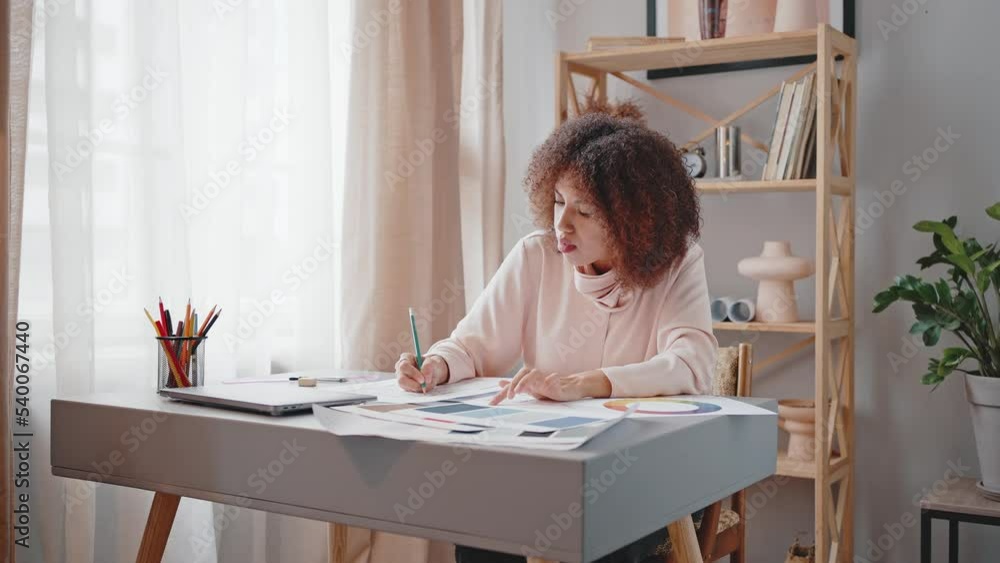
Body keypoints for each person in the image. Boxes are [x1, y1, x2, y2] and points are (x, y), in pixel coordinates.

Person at [395, 112, 718, 562]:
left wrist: (586, 382)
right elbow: (474, 344)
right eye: (559, 201)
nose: (562, 224)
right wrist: (436, 364)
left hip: (649, 475)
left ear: (635, 220)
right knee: (479, 527)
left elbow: (692, 364)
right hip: (550, 469)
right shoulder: (535, 255)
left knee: (602, 533)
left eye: (584, 211)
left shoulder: (678, 264)